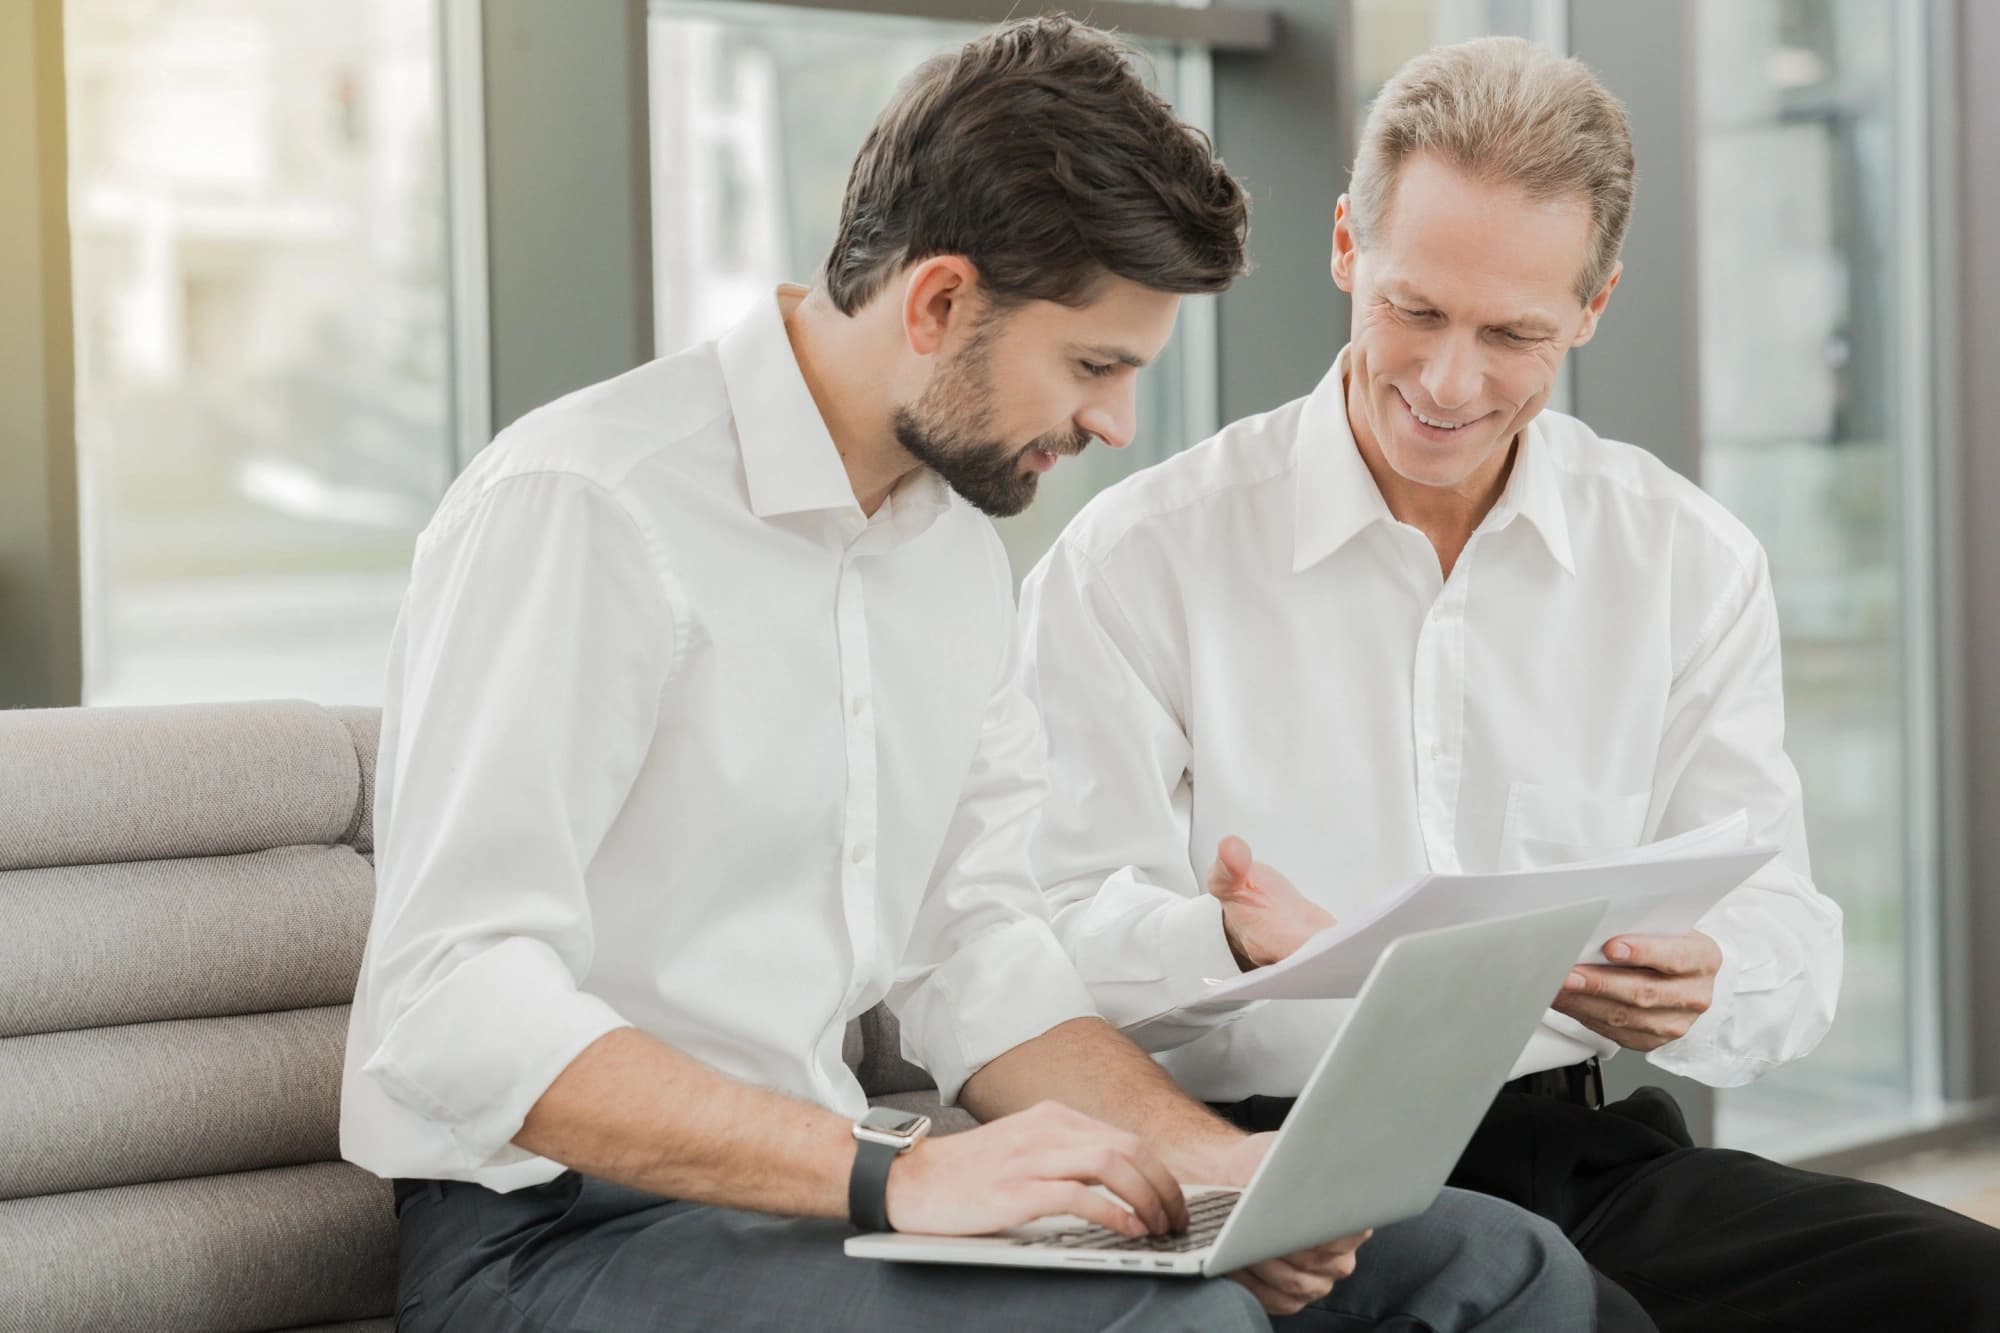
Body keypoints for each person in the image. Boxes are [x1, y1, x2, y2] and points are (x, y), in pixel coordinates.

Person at [339, 18, 1594, 1333]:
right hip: (553, 1240)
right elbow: (450, 998)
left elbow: (976, 950)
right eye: (1094, 365)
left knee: (1494, 1269)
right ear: (939, 302)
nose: (1112, 421)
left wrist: (1208, 1161)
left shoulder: (950, 557)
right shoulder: (587, 505)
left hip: (823, 1209)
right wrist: (896, 1174)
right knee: (1176, 1330)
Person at [1017, 34, 2000, 1333]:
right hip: (1266, 1163)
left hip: (1574, 1152)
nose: (1447, 381)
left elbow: (1790, 942)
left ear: (1590, 311)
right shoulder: (1138, 557)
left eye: (1513, 333)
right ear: (1345, 249)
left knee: (1961, 1284)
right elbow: (1035, 933)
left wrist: (1701, 977)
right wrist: (1223, 942)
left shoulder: (1684, 559)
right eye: (1414, 308)